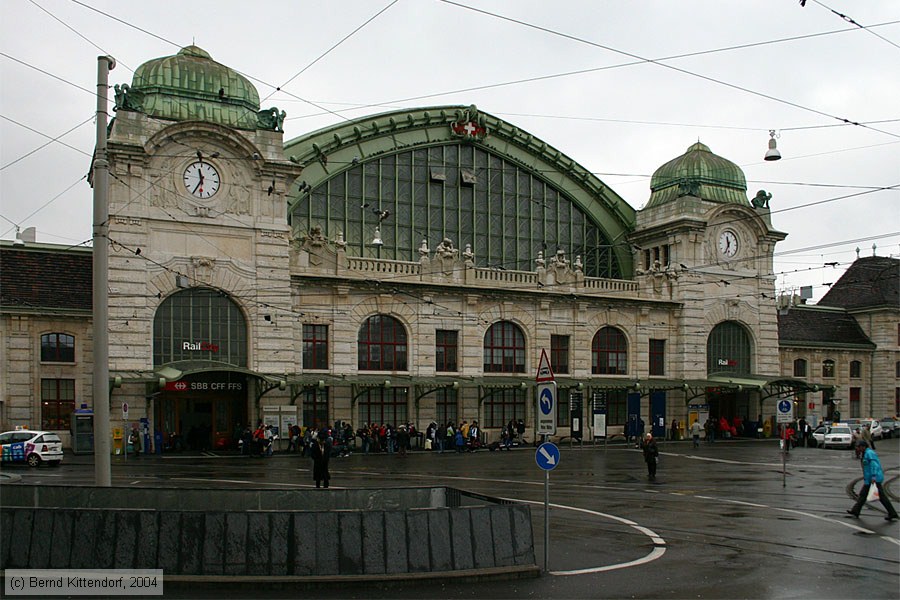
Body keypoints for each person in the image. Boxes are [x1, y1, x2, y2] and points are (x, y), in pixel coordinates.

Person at [846, 441, 898, 521]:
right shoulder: (865, 453)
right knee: (863, 495)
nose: (857, 448)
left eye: (859, 447)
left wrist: (874, 476)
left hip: (874, 479)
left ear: (863, 447)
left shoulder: (869, 453)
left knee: (881, 497)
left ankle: (892, 513)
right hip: (869, 479)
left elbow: (874, 465)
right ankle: (855, 511)